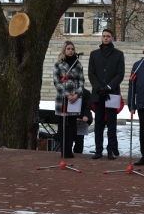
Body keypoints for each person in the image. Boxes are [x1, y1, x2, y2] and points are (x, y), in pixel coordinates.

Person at [88, 28, 125, 160]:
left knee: (111, 123)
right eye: (103, 36)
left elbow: (120, 74)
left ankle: (111, 150)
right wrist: (99, 87)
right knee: (98, 123)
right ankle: (98, 150)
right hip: (98, 93)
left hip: (112, 93)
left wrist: (108, 87)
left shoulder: (119, 54)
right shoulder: (94, 54)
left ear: (112, 38)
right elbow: (91, 73)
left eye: (108, 36)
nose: (105, 38)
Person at [53, 41, 85, 159]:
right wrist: (67, 94)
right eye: (68, 49)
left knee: (72, 125)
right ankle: (63, 150)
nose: (71, 51)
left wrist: (77, 94)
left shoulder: (78, 64)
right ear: (64, 50)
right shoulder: (59, 64)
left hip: (74, 99)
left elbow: (82, 81)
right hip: (62, 98)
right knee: (62, 125)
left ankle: (69, 149)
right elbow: (56, 81)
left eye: (72, 49)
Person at [73, 87, 93, 154]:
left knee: (79, 138)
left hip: (81, 118)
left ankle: (78, 153)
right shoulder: (67, 91)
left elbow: (88, 106)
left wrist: (86, 115)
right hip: (69, 117)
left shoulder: (86, 93)